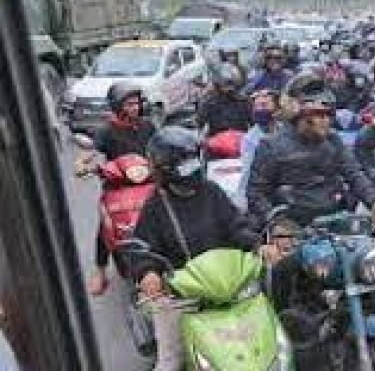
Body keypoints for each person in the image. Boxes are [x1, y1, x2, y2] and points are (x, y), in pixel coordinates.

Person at [131, 126, 269, 371]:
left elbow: (236, 226)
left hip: (229, 287)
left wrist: (259, 246)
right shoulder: (155, 206)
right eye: (185, 164)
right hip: (181, 296)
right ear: (165, 169)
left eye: (194, 160)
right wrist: (148, 273)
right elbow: (143, 249)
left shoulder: (212, 192)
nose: (192, 168)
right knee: (170, 362)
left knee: (268, 341)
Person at [247, 71, 375, 227]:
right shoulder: (271, 146)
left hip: (335, 218)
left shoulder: (333, 139)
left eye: (329, 115)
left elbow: (354, 174)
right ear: (299, 117)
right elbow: (256, 193)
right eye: (319, 114)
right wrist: (276, 222)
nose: (326, 121)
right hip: (293, 224)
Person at [81, 82, 156, 296]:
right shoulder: (106, 130)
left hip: (147, 181)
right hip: (117, 185)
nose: (135, 108)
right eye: (129, 104)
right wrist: (82, 162)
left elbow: (159, 144)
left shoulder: (147, 126)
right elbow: (92, 151)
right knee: (105, 227)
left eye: (136, 103)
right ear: (117, 106)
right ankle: (100, 271)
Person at [235, 89, 281, 211]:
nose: (259, 110)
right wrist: (241, 202)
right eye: (257, 106)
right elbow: (247, 173)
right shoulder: (250, 139)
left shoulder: (285, 130)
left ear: (277, 109)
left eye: (264, 105)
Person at [196, 62, 251, 135]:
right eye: (226, 84)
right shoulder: (209, 103)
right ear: (218, 85)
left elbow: (253, 123)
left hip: (239, 138)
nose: (229, 88)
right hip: (217, 139)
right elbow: (200, 123)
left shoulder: (243, 101)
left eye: (231, 84)